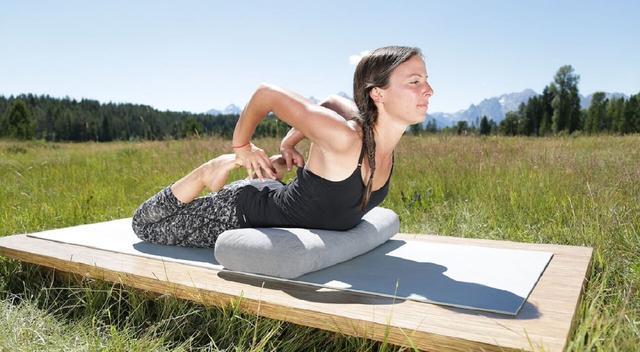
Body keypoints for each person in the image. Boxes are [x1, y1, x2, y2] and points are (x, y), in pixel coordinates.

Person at [132, 45, 434, 247]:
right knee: (145, 225)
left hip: (278, 195)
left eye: (426, 81)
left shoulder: (377, 137)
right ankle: (208, 171)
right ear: (378, 94)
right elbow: (266, 95)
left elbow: (330, 102)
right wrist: (242, 146)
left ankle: (256, 175)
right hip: (240, 211)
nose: (428, 90)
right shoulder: (344, 139)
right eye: (414, 82)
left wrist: (290, 140)